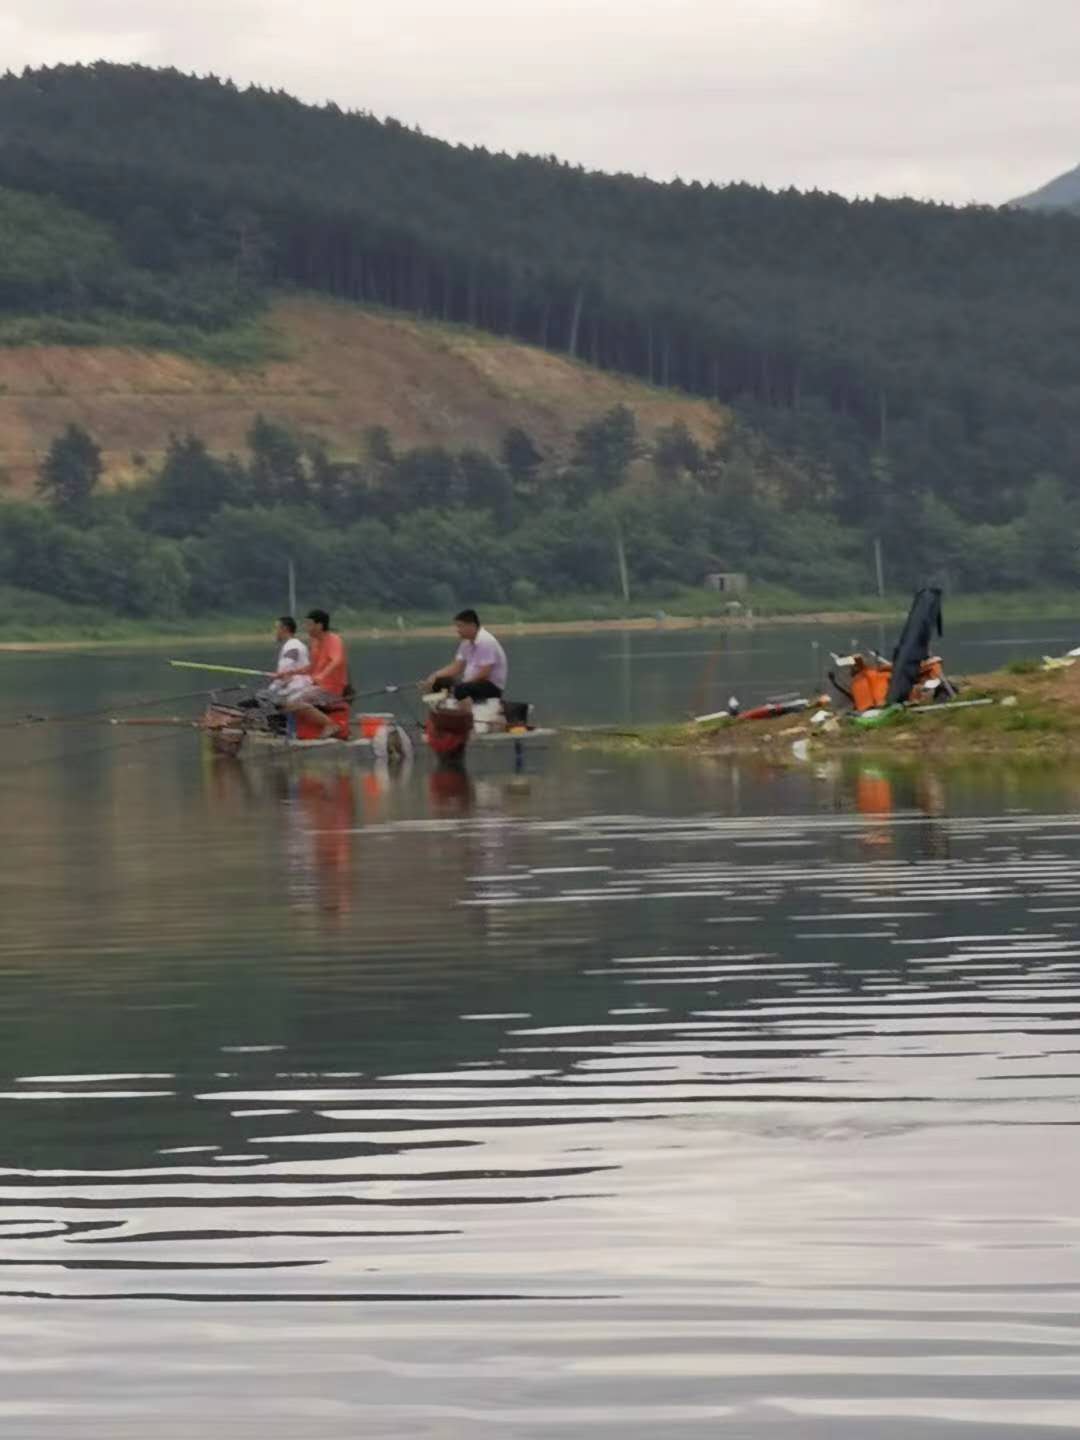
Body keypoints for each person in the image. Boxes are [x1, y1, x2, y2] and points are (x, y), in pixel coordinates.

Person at [276, 608, 350, 739]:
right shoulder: (315, 642)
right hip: (316, 687)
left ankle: (330, 724)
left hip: (331, 689)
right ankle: (292, 732)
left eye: (309, 624)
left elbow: (337, 660)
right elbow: (311, 667)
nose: (306, 627)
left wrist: (322, 675)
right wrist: (289, 672)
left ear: (319, 625)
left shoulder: (334, 640)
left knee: (293, 702)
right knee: (283, 701)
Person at [424, 609, 508, 704]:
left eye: (460, 626)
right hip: (472, 683)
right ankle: (444, 707)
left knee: (462, 688)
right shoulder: (466, 643)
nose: (458, 630)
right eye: (457, 626)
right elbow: (456, 667)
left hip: (491, 687)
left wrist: (464, 683)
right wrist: (435, 675)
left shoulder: (485, 641)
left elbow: (485, 673)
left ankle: (453, 705)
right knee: (440, 681)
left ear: (472, 626)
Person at [266, 616, 310, 701]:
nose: (274, 631)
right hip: (298, 687)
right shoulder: (297, 644)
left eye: (276, 628)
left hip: (295, 690)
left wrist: (271, 688)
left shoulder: (292, 646)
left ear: (285, 629)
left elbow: (284, 675)